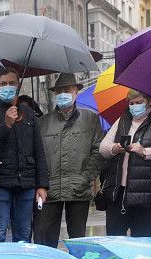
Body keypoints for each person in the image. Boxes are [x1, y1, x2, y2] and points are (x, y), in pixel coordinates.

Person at [0, 69, 48, 243]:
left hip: (26, 182)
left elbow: (38, 149)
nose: (7, 87)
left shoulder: (28, 112)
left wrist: (42, 185)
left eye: (11, 83)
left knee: (24, 232)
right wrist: (5, 125)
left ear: (17, 86)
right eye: (3, 84)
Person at [34, 73, 104, 248]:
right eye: (59, 92)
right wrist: (41, 183)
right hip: (50, 190)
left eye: (66, 90)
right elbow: (37, 155)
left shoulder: (90, 119)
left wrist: (86, 177)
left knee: (78, 241)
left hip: (79, 189)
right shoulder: (43, 123)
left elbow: (98, 150)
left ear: (76, 92)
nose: (62, 95)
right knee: (45, 240)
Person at [99, 90, 151, 238]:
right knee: (115, 240)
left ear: (149, 101)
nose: (134, 106)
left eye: (139, 102)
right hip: (119, 193)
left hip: (148, 194)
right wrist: (115, 148)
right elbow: (103, 148)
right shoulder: (122, 121)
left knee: (146, 240)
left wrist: (145, 152)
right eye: (131, 103)